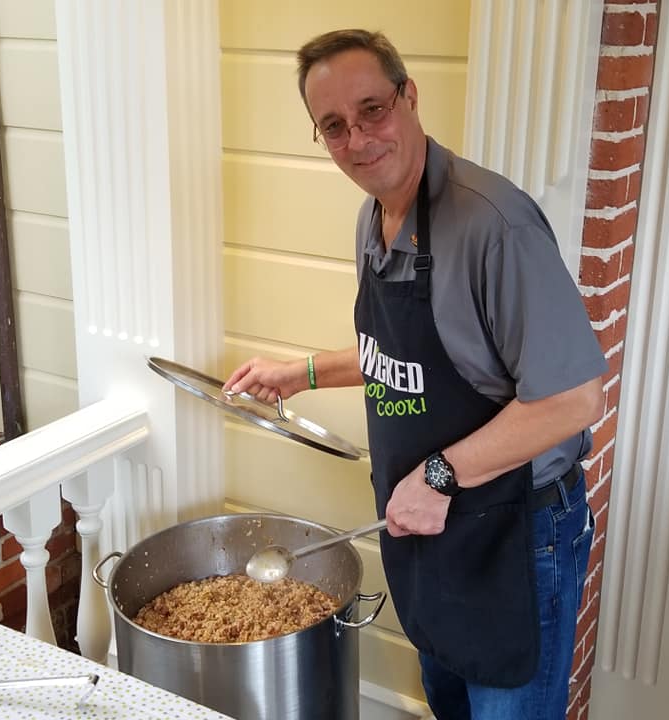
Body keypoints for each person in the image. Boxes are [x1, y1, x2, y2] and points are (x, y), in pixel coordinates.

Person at [224, 29, 606, 720]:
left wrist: (437, 477)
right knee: (449, 705)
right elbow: (406, 362)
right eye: (334, 126)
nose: (359, 138)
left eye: (373, 109)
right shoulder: (375, 219)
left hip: (516, 533)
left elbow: (573, 398)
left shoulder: (494, 224)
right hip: (434, 533)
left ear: (409, 97)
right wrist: (299, 372)